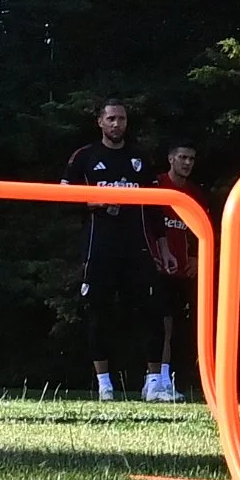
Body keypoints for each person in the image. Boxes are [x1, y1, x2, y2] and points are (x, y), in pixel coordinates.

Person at [64, 99, 164, 401]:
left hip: (137, 247)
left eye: (121, 119)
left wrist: (163, 247)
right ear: (100, 122)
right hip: (100, 246)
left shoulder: (140, 158)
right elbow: (63, 195)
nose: (116, 124)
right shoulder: (85, 156)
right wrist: (95, 202)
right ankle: (105, 383)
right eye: (111, 119)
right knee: (98, 314)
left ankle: (153, 382)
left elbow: (157, 205)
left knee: (151, 312)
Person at [142, 143, 207, 405]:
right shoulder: (156, 185)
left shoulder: (195, 194)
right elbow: (147, 222)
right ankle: (152, 379)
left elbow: (200, 227)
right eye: (182, 157)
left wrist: (195, 256)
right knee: (156, 322)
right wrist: (155, 254)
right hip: (156, 264)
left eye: (191, 158)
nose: (187, 163)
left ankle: (165, 380)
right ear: (171, 158)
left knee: (173, 326)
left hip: (181, 268)